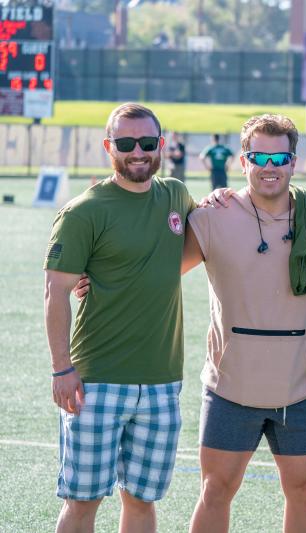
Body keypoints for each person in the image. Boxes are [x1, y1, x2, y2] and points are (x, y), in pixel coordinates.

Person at [184, 114, 306, 533]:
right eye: (259, 155)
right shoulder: (211, 217)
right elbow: (155, 274)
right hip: (229, 387)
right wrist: (94, 275)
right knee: (216, 489)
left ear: (295, 162)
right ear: (243, 161)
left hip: (301, 389)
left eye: (280, 156)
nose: (270, 165)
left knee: (304, 492)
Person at [44, 103, 195, 532]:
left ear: (160, 145)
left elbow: (197, 246)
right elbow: (55, 292)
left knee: (143, 503)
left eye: (147, 143)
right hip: (95, 383)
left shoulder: (176, 195)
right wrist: (62, 369)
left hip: (163, 382)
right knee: (82, 502)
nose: (138, 152)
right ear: (109, 146)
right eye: (126, 144)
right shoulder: (84, 211)